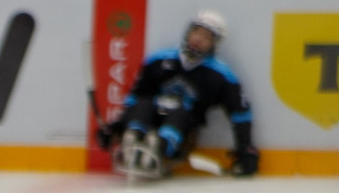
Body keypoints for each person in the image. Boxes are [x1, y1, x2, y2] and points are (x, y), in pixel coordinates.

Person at [97, 10, 258, 181]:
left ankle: (160, 147)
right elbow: (136, 97)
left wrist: (245, 149)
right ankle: (132, 139)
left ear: (214, 44)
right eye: (196, 32)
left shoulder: (221, 76)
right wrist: (116, 126)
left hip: (184, 129)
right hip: (151, 116)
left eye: (206, 37)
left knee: (180, 112)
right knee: (143, 105)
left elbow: (241, 114)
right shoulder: (158, 60)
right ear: (188, 32)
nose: (198, 39)